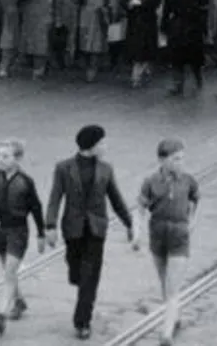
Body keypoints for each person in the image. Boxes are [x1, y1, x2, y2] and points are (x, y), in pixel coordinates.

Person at [45, 124, 135, 340]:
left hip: (96, 229)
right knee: (76, 271)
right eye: (102, 142)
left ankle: (82, 321)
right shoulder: (63, 168)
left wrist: (130, 223)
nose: (105, 146)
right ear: (92, 145)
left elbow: (115, 198)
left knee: (90, 276)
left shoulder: (106, 169)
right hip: (73, 229)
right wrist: (50, 225)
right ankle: (77, 278)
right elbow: (55, 197)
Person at [0, 138, 46, 337]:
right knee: (7, 269)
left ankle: (1, 314)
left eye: (5, 156)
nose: (0, 160)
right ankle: (19, 301)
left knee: (9, 272)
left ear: (18, 158)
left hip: (18, 232)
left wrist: (41, 233)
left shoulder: (25, 182)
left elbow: (36, 208)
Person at [135, 138, 199, 346]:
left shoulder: (188, 180)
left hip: (179, 235)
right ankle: (175, 316)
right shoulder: (151, 182)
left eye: (182, 158)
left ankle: (166, 334)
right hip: (158, 234)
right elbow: (140, 209)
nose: (180, 163)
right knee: (165, 282)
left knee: (172, 286)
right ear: (162, 160)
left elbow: (196, 200)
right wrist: (137, 235)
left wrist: (192, 222)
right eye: (175, 159)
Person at [161, 0, 208, 97]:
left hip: (193, 28)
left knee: (195, 57)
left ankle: (198, 79)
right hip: (177, 27)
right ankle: (177, 84)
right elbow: (166, 10)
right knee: (176, 57)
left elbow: (204, 10)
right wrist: (164, 26)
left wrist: (203, 28)